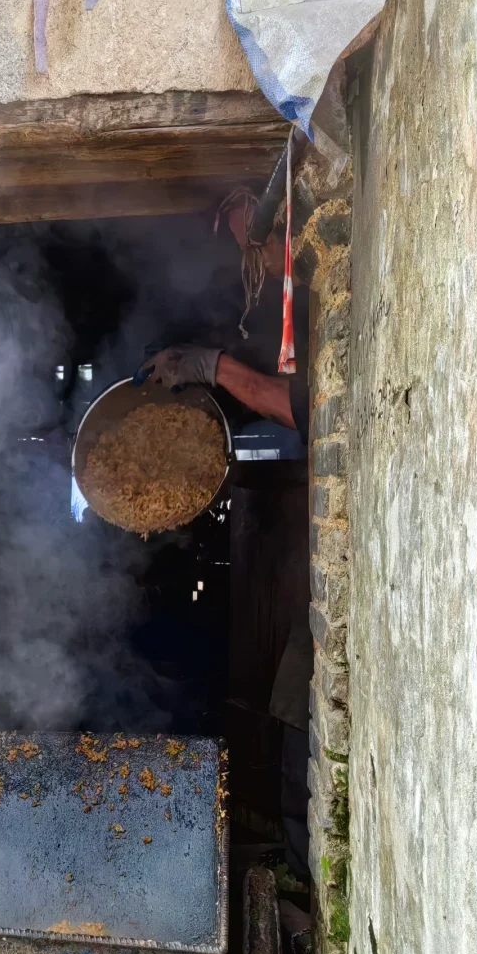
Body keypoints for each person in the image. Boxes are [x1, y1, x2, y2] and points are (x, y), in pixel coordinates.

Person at [138, 206, 313, 883]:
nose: (246, 251)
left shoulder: (311, 279)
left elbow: (306, 404)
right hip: (313, 590)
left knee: (298, 721)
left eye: (246, 232)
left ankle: (304, 880)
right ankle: (304, 871)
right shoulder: (270, 295)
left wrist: (212, 366)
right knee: (293, 716)